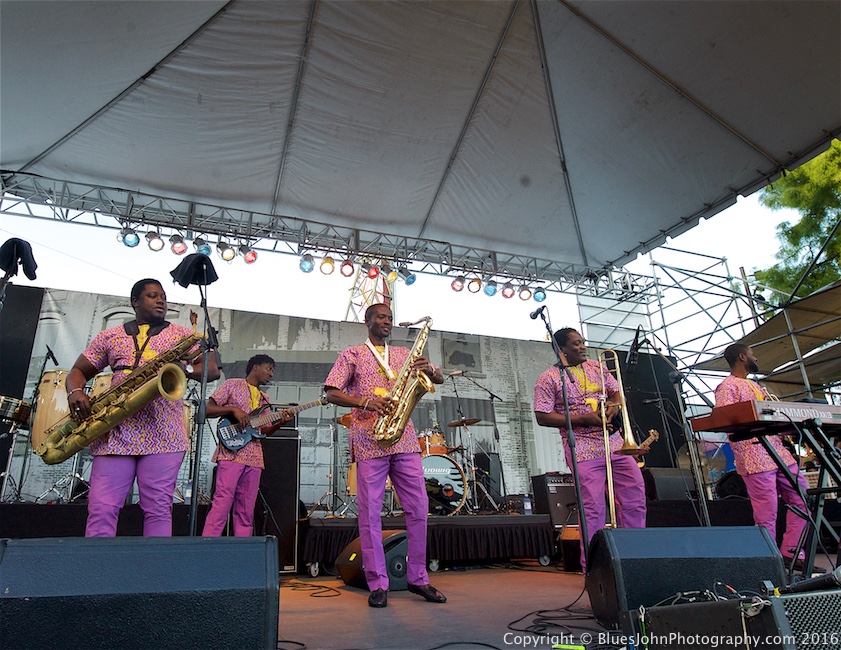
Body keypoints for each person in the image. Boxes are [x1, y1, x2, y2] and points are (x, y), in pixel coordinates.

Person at [65, 278, 220, 537]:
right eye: (152, 295)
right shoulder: (110, 336)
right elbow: (78, 371)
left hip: (164, 434)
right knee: (102, 508)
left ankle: (154, 563)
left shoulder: (182, 336)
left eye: (163, 296)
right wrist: (75, 391)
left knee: (158, 509)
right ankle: (97, 561)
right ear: (135, 301)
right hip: (115, 432)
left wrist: (185, 368)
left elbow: (212, 370)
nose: (161, 301)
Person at [324, 303, 446, 608]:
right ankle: (378, 583)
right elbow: (331, 392)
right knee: (369, 514)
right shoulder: (352, 354)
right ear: (367, 321)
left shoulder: (404, 354)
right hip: (369, 440)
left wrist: (430, 370)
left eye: (390, 318)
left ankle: (419, 578)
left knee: (419, 507)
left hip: (404, 439)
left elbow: (440, 379)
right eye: (381, 317)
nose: (387, 322)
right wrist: (365, 403)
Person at [533, 328, 647, 569]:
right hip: (583, 449)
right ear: (561, 349)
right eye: (576, 343)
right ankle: (595, 569)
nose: (583, 346)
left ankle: (635, 559)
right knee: (593, 509)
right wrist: (582, 419)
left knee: (634, 498)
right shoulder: (548, 378)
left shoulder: (597, 367)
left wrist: (614, 407)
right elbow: (542, 416)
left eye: (583, 342)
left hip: (615, 444)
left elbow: (616, 393)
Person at [715, 343, 811, 571]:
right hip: (754, 454)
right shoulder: (727, 386)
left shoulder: (756, 385)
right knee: (767, 512)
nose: (755, 358)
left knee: (803, 498)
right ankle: (769, 562)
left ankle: (791, 552)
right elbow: (724, 419)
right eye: (752, 354)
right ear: (742, 357)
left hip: (779, 452)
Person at [202, 354, 293, 536]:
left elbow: (264, 431)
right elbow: (207, 409)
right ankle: (208, 543)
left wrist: (281, 422)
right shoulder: (232, 384)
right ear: (255, 367)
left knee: (246, 508)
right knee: (222, 502)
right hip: (231, 453)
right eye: (269, 368)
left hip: (254, 458)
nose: (271, 374)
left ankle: (243, 547)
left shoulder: (265, 398)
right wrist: (233, 409)